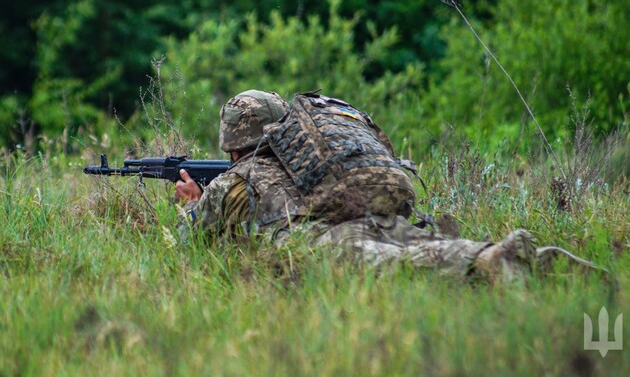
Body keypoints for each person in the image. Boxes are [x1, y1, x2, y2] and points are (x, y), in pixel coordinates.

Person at [176, 90, 598, 283]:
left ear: (233, 142)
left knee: (408, 264)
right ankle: (532, 260)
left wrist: (191, 205)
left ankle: (494, 259)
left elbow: (193, 244)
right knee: (418, 244)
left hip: (324, 243)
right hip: (374, 218)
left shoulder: (237, 179)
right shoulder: (305, 156)